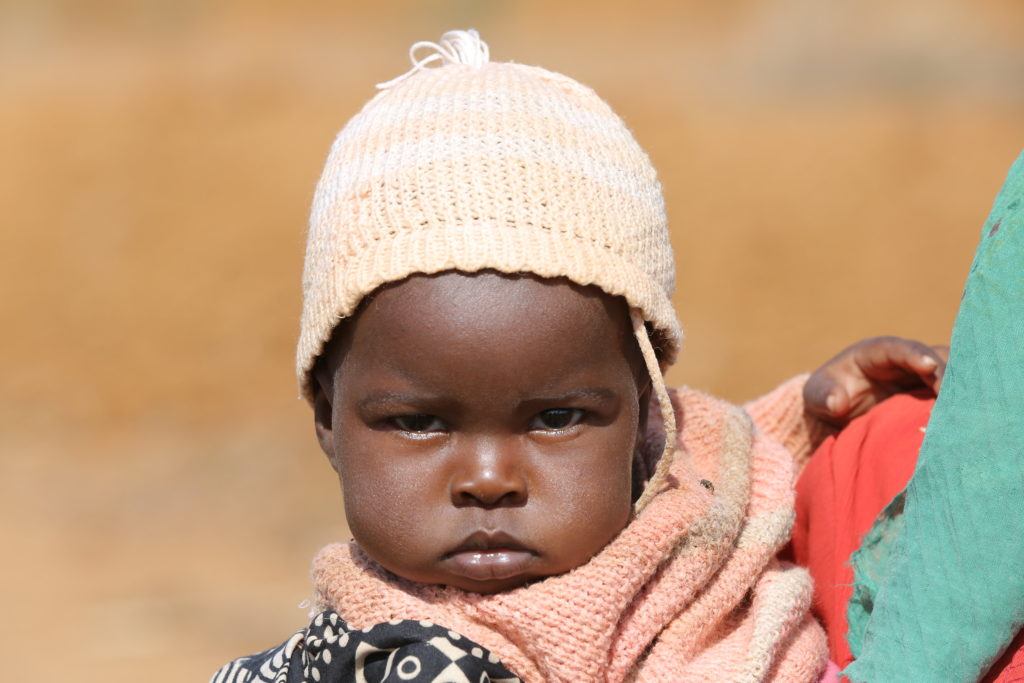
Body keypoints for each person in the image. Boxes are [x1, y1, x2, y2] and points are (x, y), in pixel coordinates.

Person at [211, 30, 946, 683]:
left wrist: (813, 409)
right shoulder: (389, 654)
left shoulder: (675, 491)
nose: (489, 478)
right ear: (329, 422)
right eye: (420, 422)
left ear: (645, 412)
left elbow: (721, 459)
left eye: (557, 417)